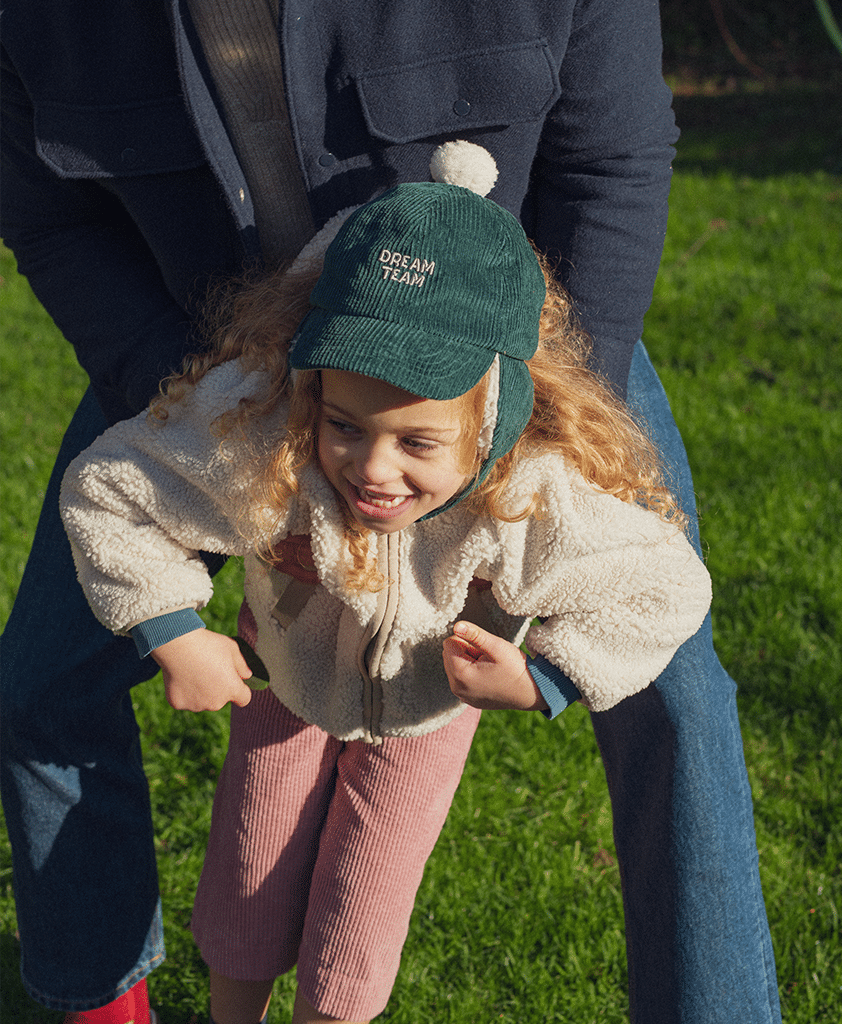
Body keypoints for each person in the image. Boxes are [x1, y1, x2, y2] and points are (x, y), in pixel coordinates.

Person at [0, 2, 781, 1022]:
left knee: (671, 696)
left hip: (511, 369)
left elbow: (613, 160)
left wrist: (519, 441)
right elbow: (54, 220)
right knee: (41, 687)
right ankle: (99, 1000)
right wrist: (243, 446)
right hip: (221, 369)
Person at [59, 173, 715, 1024]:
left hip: (424, 718)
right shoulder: (269, 432)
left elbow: (665, 587)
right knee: (248, 871)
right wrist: (171, 630)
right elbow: (111, 491)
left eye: (417, 441)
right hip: (281, 682)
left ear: (494, 418)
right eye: (346, 425)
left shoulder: (533, 494)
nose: (372, 468)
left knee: (362, 911)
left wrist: (543, 678)